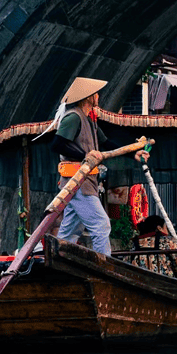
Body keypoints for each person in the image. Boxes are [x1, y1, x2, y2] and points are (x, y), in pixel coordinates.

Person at [51, 76, 149, 256]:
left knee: (69, 231)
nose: (98, 96)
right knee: (101, 224)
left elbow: (107, 143)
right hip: (77, 182)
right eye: (96, 93)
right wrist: (84, 156)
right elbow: (57, 144)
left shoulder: (90, 120)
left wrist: (133, 153)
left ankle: (58, 261)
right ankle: (104, 264)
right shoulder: (73, 117)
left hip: (86, 181)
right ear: (88, 96)